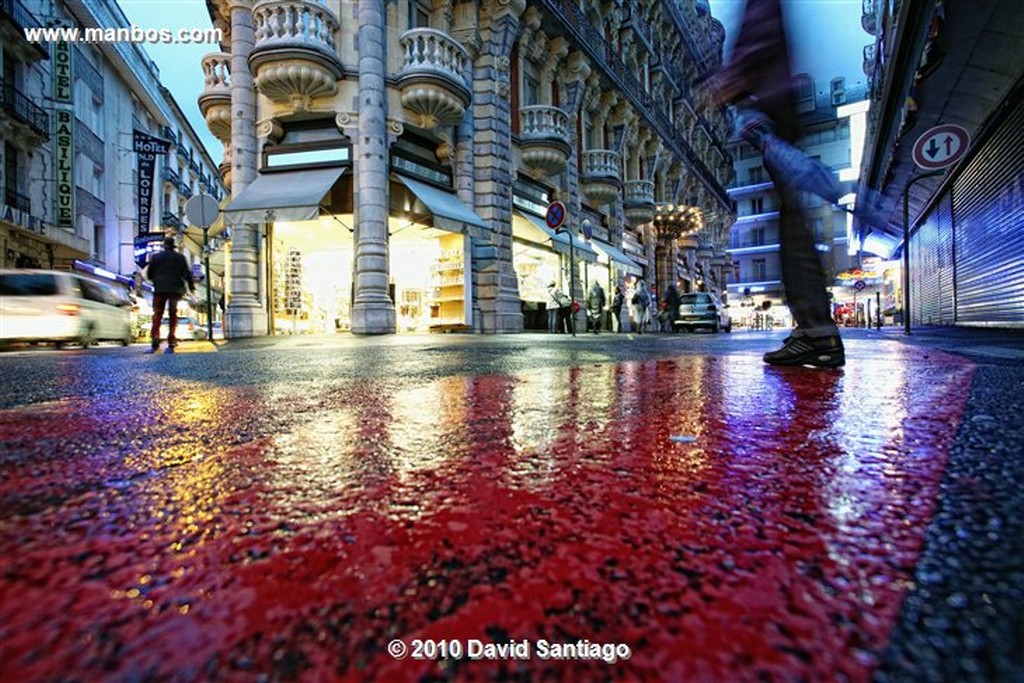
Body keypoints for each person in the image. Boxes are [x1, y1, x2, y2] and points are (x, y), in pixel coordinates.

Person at [710, 0, 844, 367]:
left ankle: (816, 331)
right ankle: (814, 329)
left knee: (793, 223)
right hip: (775, 101)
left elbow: (761, 28)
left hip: (769, 104)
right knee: (792, 218)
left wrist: (735, 76)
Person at [145, 236, 195, 354]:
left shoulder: (156, 257)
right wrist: (191, 287)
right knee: (173, 314)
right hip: (175, 289)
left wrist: (157, 280)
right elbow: (187, 274)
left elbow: (149, 274)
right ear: (174, 246)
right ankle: (171, 339)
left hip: (160, 289)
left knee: (157, 314)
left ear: (164, 246)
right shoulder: (180, 258)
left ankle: (155, 337)